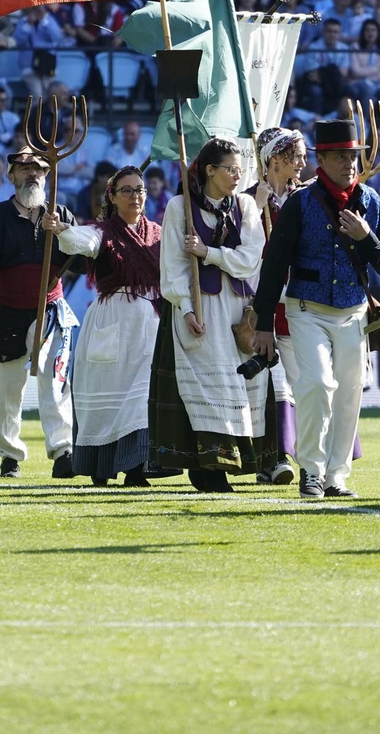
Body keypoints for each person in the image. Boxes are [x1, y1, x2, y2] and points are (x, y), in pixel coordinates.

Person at [252, 120, 380, 498]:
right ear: (322, 161)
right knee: (316, 384)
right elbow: (273, 265)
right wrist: (264, 322)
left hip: (352, 313)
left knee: (349, 393)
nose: (349, 164)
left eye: (352, 156)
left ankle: (337, 476)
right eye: (339, 157)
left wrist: (365, 238)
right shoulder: (301, 203)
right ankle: (312, 471)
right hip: (306, 309)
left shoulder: (372, 201)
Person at [149, 137, 266, 493]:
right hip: (199, 307)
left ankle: (220, 466)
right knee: (204, 387)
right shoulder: (179, 207)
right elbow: (172, 268)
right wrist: (184, 309)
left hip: (236, 308)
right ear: (210, 170)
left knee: (240, 384)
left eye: (239, 170)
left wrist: (208, 253)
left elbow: (249, 259)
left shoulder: (245, 205)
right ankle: (209, 468)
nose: (236, 176)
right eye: (230, 169)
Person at [0, 149, 78, 478]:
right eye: (24, 169)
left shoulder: (61, 214)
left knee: (55, 383)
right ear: (11, 176)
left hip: (51, 311)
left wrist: (64, 232)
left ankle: (63, 451)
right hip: (9, 310)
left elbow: (83, 261)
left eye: (39, 169)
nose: (32, 174)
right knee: (7, 387)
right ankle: (9, 454)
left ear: (48, 176)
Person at [46, 164, 162, 486]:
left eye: (139, 189)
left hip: (149, 324)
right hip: (112, 320)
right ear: (111, 195)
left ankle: (137, 470)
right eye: (126, 190)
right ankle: (100, 468)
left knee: (142, 398)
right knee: (105, 400)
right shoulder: (102, 232)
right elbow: (81, 241)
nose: (135, 196)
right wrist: (61, 230)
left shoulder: (157, 234)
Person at [244, 127, 307, 484]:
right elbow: (240, 244)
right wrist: (254, 206)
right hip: (259, 303)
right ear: (276, 159)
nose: (302, 162)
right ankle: (269, 458)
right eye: (296, 155)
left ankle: (313, 458)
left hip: (299, 302)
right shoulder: (247, 199)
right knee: (265, 385)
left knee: (304, 382)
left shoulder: (307, 198)